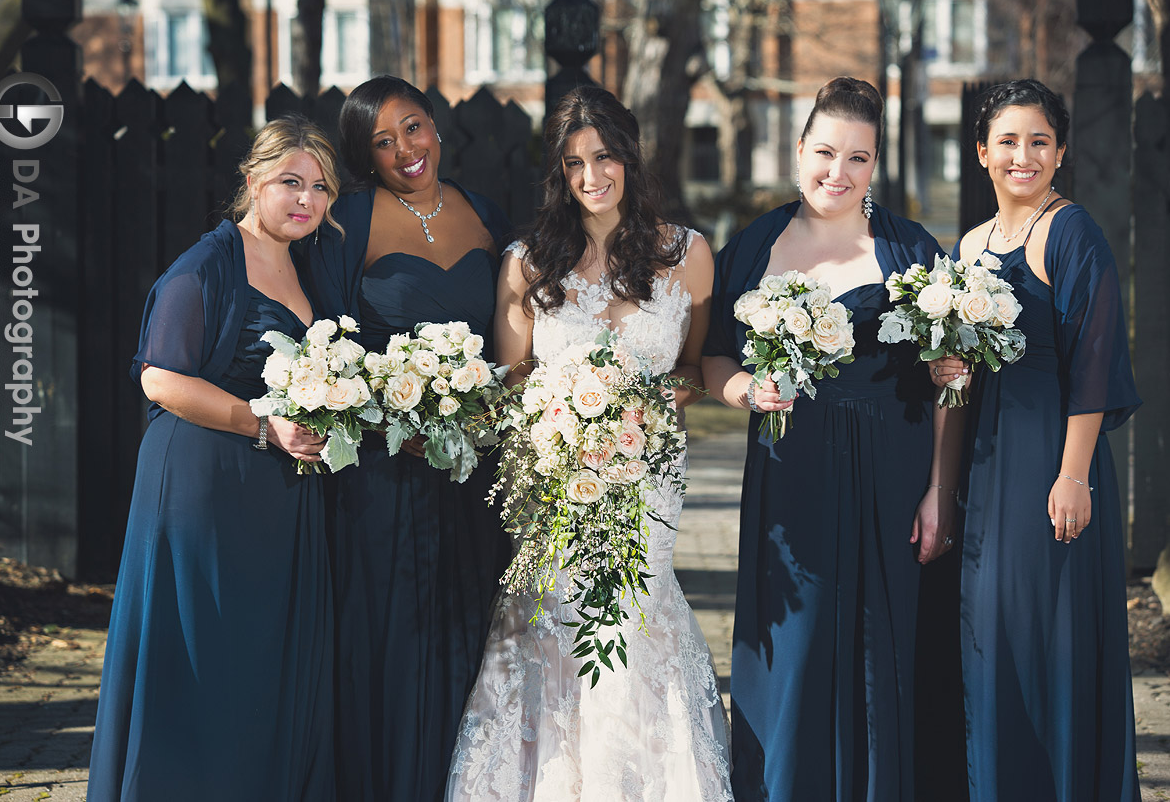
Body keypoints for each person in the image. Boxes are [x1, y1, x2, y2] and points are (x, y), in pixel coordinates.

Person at [446, 84, 732, 801]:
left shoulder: (687, 254)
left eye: (604, 157)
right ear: (560, 174)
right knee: (553, 629)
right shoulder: (528, 262)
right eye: (574, 163)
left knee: (633, 628)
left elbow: (694, 365)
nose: (591, 177)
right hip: (557, 488)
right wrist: (555, 416)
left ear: (631, 159)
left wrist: (666, 397)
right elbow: (510, 384)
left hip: (649, 479)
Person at [701, 76, 963, 801]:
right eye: (824, 152)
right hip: (793, 480)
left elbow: (949, 384)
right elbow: (715, 355)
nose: (837, 173)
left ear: (875, 164)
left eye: (858, 158)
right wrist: (745, 391)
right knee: (798, 648)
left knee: (883, 655)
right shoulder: (756, 243)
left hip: (894, 476)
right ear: (797, 151)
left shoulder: (909, 247)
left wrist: (941, 491)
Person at [87, 115, 340, 800]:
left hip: (274, 496)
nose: (306, 200)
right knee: (200, 659)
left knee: (255, 670)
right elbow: (159, 378)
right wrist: (262, 424)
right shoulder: (205, 265)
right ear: (253, 181)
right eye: (291, 181)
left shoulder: (304, 262)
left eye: (320, 188)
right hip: (201, 484)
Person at [303, 75, 513, 801]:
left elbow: (515, 339)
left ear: (437, 126)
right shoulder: (350, 222)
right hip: (383, 473)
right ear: (366, 157)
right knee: (391, 639)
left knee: (472, 629)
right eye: (383, 142)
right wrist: (393, 418)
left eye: (414, 127)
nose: (405, 150)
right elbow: (326, 339)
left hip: (474, 470)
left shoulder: (485, 214)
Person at [930, 78, 1140, 801]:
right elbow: (958, 385)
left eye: (1040, 141)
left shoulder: (1072, 231)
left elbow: (1096, 359)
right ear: (983, 151)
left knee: (1054, 642)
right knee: (992, 645)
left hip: (1052, 466)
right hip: (987, 477)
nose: (1025, 155)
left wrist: (1074, 474)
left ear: (1061, 151)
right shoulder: (968, 246)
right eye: (1009, 141)